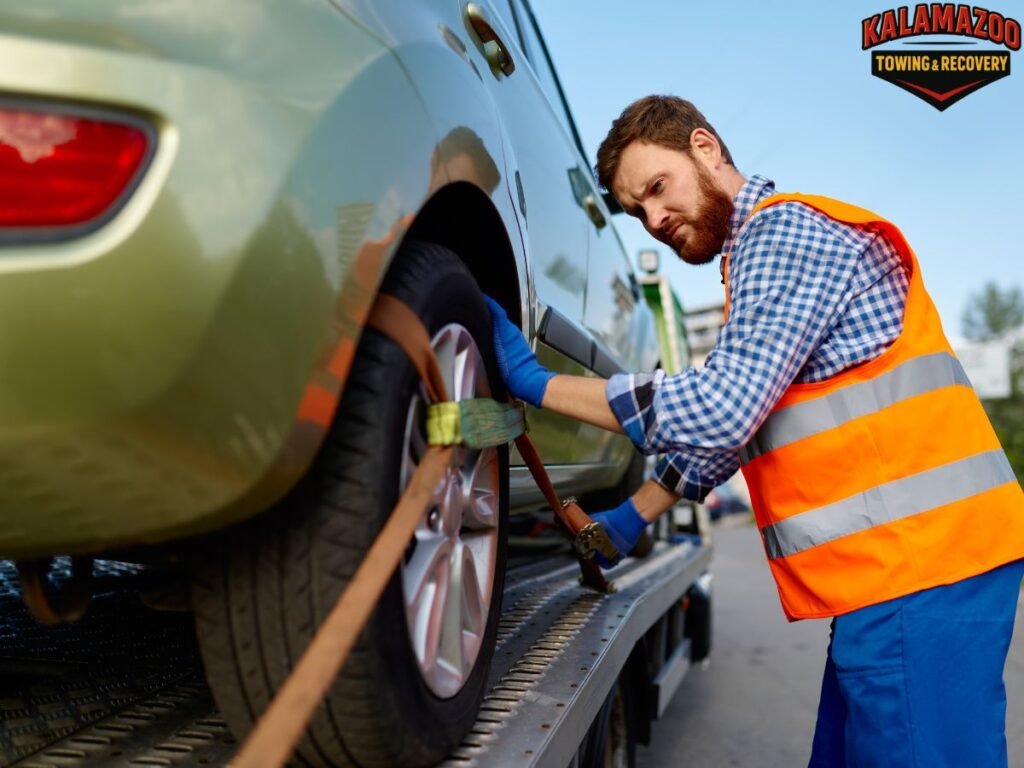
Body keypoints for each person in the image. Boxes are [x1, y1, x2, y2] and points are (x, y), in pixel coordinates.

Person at [485, 95, 1024, 767]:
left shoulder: (780, 234)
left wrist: (540, 386)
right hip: (908, 571)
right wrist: (633, 513)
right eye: (637, 212)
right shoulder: (759, 258)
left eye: (657, 188)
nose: (654, 220)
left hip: (922, 569)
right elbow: (746, 425)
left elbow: (724, 408)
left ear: (705, 149)